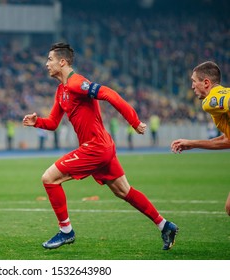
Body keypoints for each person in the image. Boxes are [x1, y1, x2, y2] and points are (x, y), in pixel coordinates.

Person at [23, 42, 178, 250]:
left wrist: (134, 121)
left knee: (49, 178)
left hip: (95, 147)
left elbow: (109, 94)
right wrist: (37, 122)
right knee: (124, 191)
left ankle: (66, 232)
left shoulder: (77, 83)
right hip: (102, 147)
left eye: (50, 59)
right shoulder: (61, 91)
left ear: (62, 62)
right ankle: (164, 225)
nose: (46, 64)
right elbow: (52, 123)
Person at [171, 61, 230, 216]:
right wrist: (192, 143)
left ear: (206, 83)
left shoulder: (211, 101)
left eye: (193, 81)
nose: (192, 86)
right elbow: (227, 140)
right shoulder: (217, 102)